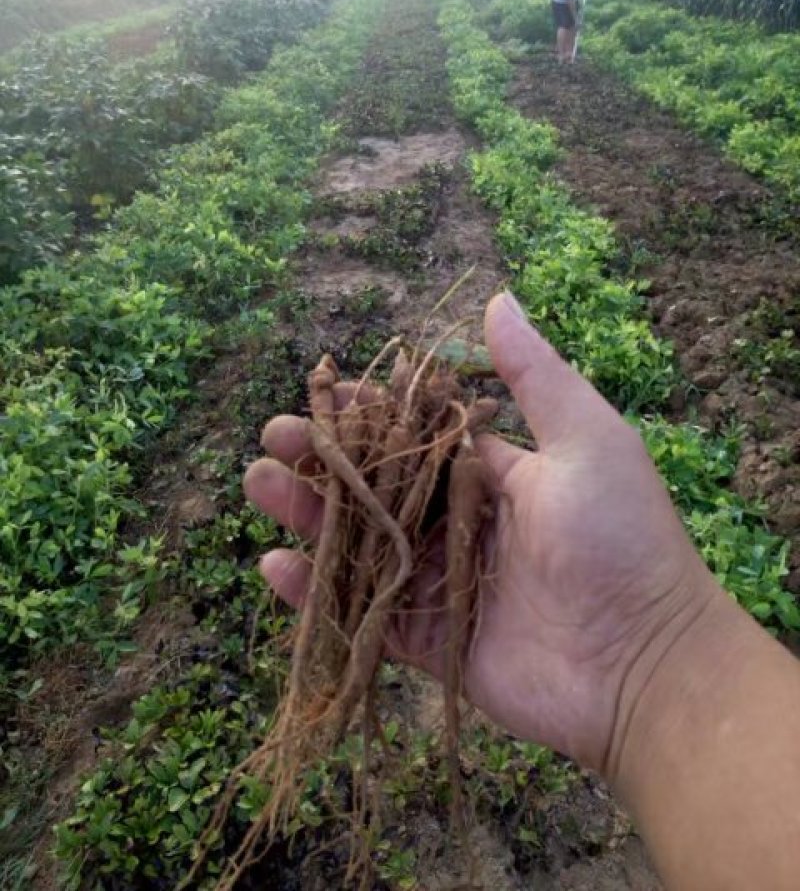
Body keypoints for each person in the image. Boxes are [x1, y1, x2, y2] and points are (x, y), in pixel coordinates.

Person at [245, 292, 800, 891]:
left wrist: (652, 650)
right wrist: (656, 666)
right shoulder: (398, 429)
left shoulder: (463, 459)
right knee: (359, 534)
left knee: (386, 542)